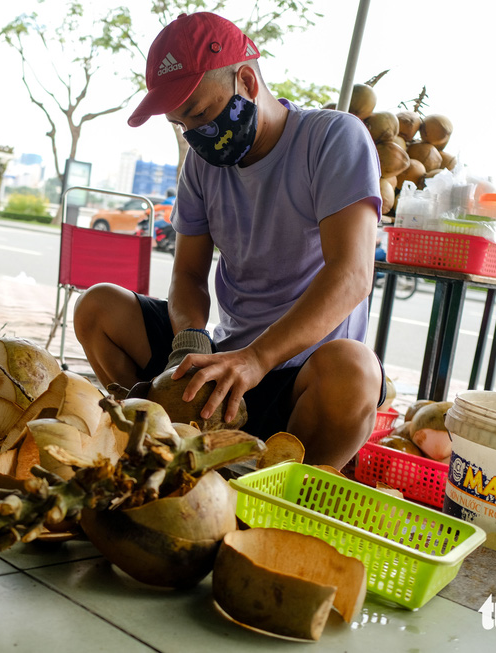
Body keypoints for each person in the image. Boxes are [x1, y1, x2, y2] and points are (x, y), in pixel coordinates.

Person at [73, 12, 384, 468]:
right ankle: (152, 448)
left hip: (300, 373)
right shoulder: (201, 167)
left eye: (199, 113)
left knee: (356, 372)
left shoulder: (333, 138)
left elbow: (352, 274)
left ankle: (279, 493)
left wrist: (257, 359)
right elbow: (187, 274)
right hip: (223, 360)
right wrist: (190, 344)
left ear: (246, 81)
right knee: (98, 308)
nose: (195, 135)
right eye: (181, 124)